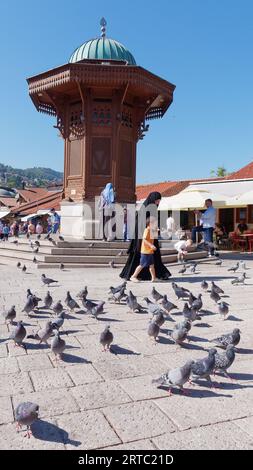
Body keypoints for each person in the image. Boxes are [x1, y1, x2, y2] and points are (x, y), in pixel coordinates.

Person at [120, 191, 171, 281]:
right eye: (157, 200)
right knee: (140, 257)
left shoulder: (151, 208)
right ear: (152, 199)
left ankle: (155, 275)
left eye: (159, 200)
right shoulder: (147, 208)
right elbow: (142, 223)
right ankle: (133, 275)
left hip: (150, 235)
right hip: (143, 237)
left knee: (152, 256)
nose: (158, 202)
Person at [130, 217, 158, 282]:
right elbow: (144, 239)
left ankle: (154, 278)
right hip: (145, 251)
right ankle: (133, 276)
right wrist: (151, 245)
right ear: (150, 224)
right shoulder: (147, 230)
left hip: (149, 251)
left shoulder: (151, 230)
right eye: (155, 223)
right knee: (142, 265)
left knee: (152, 265)